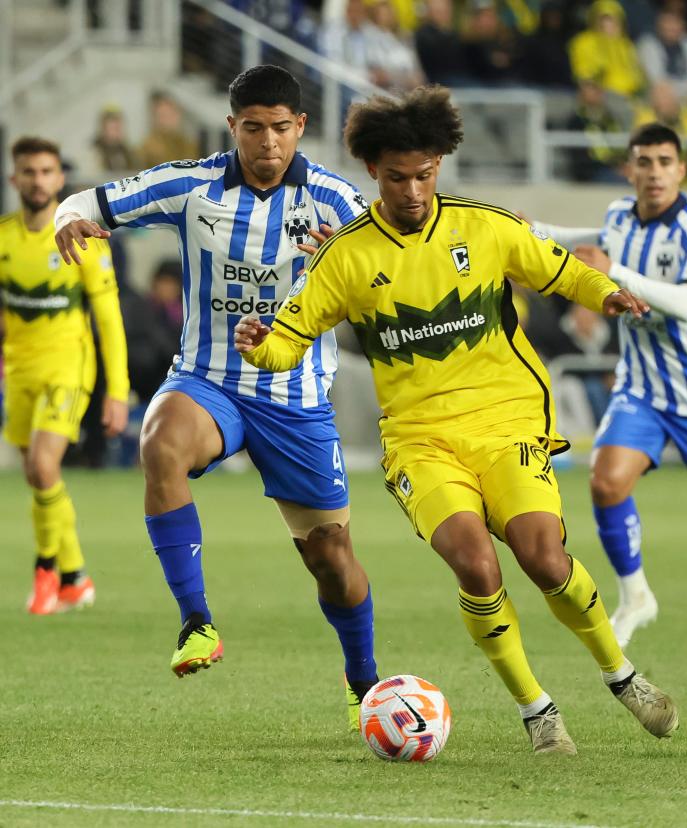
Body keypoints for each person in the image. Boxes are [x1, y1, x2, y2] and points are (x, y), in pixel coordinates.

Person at [234, 87, 678, 755]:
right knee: (476, 566)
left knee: (544, 557)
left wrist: (608, 292)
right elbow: (287, 339)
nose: (411, 190)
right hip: (420, 441)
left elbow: (560, 271)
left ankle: (622, 676)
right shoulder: (346, 256)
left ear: (439, 164)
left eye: (423, 174)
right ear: (372, 173)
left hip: (507, 423)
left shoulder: (485, 226)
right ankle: (538, 711)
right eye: (395, 177)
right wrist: (258, 342)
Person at [52, 65, 379, 731]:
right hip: (210, 382)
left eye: (280, 128)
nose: (267, 142)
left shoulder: (337, 204)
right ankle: (196, 621)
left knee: (332, 561)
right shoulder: (190, 185)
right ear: (232, 127)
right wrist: (68, 220)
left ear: (300, 129)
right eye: (253, 128)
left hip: (296, 399)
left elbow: (394, 273)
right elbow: (86, 201)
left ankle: (364, 682)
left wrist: (348, 267)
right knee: (159, 442)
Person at [532, 124, 687, 658]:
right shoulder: (620, 215)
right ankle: (635, 595)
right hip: (641, 387)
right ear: (630, 169)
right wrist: (538, 229)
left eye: (665, 160)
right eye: (644, 161)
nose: (655, 171)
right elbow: (592, 236)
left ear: (680, 169)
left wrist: (614, 271)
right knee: (605, 482)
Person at [1, 136, 129, 615]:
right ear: (15, 179)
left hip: (68, 368)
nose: (38, 181)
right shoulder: (4, 239)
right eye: (29, 172)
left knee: (40, 466)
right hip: (19, 372)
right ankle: (75, 576)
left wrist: (117, 391)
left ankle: (47, 571)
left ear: (60, 178)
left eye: (47, 172)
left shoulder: (81, 238)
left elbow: (109, 318)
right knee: (41, 478)